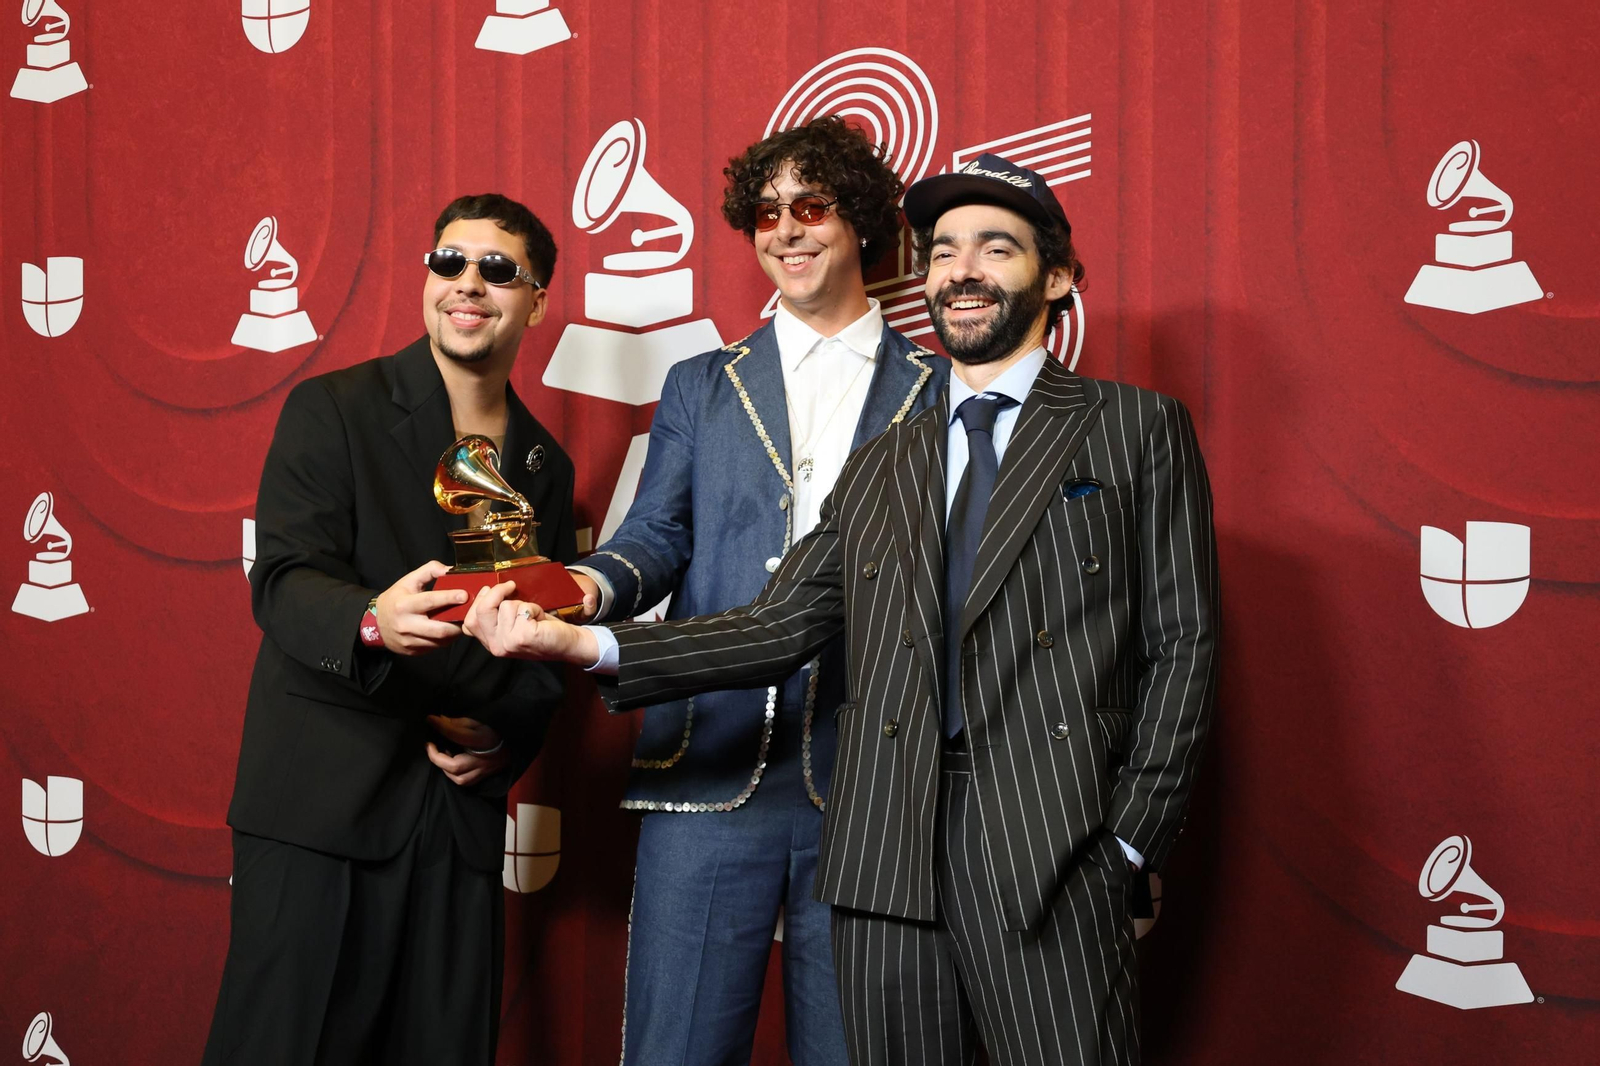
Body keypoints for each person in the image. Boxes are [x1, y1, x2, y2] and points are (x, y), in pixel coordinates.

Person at [467, 155, 1219, 1066]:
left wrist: (1132, 844)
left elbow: (1181, 646)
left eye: (996, 246)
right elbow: (750, 605)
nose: (964, 268)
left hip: (974, 828)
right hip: (810, 815)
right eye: (945, 250)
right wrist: (580, 631)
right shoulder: (846, 439)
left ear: (1056, 276)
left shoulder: (1091, 418)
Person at [562, 115, 946, 1065]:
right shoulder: (701, 383)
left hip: (872, 783)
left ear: (858, 219)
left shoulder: (938, 388)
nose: (787, 231)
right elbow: (654, 538)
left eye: (810, 205)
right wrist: (583, 588)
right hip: (706, 763)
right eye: (766, 213)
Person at [203, 194, 575, 1066]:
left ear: (538, 300)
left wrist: (503, 739)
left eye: (497, 269)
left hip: (456, 827)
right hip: (321, 810)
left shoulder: (543, 467)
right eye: (449, 263)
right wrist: (371, 619)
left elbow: (540, 647)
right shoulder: (334, 407)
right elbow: (286, 579)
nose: (468, 284)